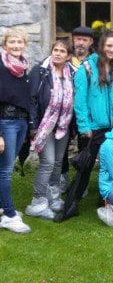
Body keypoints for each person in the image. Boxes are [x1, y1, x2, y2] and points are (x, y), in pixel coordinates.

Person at [56, 30, 113, 221]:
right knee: (85, 166)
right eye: (109, 46)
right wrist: (84, 126)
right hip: (94, 127)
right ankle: (71, 205)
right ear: (101, 46)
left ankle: (108, 201)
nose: (112, 50)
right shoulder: (87, 68)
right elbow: (79, 101)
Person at [25, 41, 76, 220]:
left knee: (58, 163)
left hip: (63, 125)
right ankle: (37, 202)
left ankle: (53, 198)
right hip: (44, 125)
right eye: (56, 50)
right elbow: (31, 99)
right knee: (48, 161)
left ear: (68, 56)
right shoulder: (40, 71)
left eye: (62, 51)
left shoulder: (72, 73)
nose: (58, 54)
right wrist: (32, 125)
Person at [0, 28, 31, 234]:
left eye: (20, 42)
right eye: (12, 42)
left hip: (21, 121)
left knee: (4, 167)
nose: (16, 45)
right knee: (5, 171)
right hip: (5, 122)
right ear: (5, 44)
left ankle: (2, 208)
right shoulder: (1, 65)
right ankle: (10, 215)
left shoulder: (22, 68)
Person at [61, 26, 94, 193]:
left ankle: (82, 182)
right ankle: (62, 180)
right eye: (78, 39)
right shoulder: (64, 60)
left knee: (84, 148)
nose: (81, 42)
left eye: (85, 40)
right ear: (73, 40)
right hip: (64, 112)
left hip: (85, 113)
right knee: (62, 147)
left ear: (90, 42)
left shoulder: (94, 63)